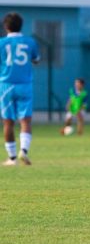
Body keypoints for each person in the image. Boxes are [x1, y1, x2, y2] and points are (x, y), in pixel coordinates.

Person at [1, 12, 41, 166]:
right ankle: (23, 150)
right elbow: (36, 60)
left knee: (8, 122)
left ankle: (12, 158)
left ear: (6, 26)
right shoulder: (30, 42)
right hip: (25, 85)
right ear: (21, 26)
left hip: (6, 85)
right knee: (25, 120)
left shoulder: (1, 43)